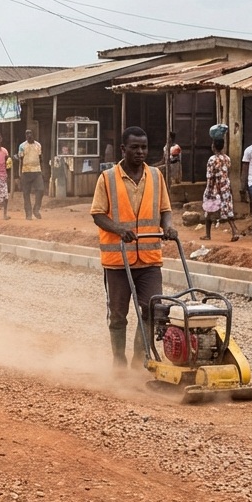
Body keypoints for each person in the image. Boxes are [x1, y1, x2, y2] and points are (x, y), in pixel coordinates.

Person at [91, 127, 177, 370]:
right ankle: (119, 361)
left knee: (152, 308)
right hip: (118, 261)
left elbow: (165, 210)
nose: (140, 152)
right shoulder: (107, 178)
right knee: (118, 314)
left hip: (149, 259)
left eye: (144, 147)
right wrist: (119, 229)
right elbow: (98, 214)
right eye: (135, 147)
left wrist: (168, 227)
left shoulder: (156, 176)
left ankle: (140, 360)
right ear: (123, 149)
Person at [203, 139, 239, 242]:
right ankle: (235, 231)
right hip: (225, 186)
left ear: (213, 146)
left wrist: (209, 189)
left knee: (208, 209)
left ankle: (207, 234)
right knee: (227, 209)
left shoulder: (212, 159)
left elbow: (210, 176)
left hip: (214, 187)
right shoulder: (227, 158)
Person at [17, 129, 44, 219]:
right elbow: (20, 160)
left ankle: (36, 209)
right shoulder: (22, 146)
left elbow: (40, 158)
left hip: (37, 171)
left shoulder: (38, 145)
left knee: (40, 190)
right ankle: (28, 213)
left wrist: (42, 170)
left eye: (30, 133)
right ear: (25, 135)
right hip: (26, 171)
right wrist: (20, 173)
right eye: (27, 133)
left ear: (33, 134)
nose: (29, 135)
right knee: (26, 193)